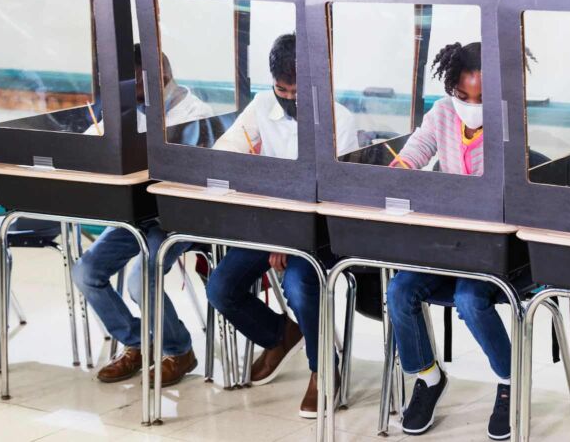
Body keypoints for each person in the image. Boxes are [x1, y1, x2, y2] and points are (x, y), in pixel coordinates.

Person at [207, 33, 358, 418]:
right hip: (269, 228)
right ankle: (279, 334)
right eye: (281, 89)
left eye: (297, 90)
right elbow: (224, 152)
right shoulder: (260, 106)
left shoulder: (340, 119)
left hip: (320, 236)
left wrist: (291, 237)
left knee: (300, 288)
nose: (288, 98)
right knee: (221, 287)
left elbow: (335, 196)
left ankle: (324, 368)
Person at [384, 42, 513, 440]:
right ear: (451, 88)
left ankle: (510, 379)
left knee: (470, 301)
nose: (471, 104)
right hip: (443, 245)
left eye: (481, 98)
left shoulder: (508, 120)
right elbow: (415, 152)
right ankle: (428, 375)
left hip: (490, 250)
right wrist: (401, 167)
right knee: (399, 291)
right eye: (463, 95)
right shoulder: (441, 113)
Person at [72, 44, 214, 386]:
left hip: (180, 217)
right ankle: (136, 342)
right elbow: (89, 144)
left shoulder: (195, 112)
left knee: (140, 280)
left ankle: (179, 351)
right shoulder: (128, 109)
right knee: (86, 272)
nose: (127, 93)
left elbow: (203, 180)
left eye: (133, 84)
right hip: (136, 213)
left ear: (159, 75)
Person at [84, 43, 213, 135]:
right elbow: (95, 134)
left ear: (162, 79)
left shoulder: (198, 114)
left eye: (136, 82)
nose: (132, 98)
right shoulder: (135, 105)